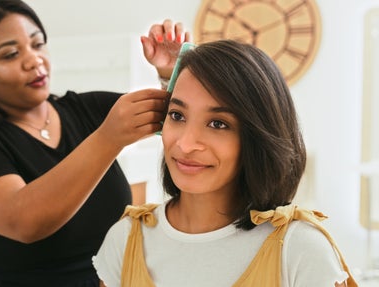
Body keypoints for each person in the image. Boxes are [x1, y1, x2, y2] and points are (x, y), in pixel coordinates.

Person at [0, 0, 190, 286]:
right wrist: (107, 138)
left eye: (37, 44)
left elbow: (178, 119)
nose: (33, 60)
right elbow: (25, 221)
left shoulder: (85, 109)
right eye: (11, 54)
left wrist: (170, 76)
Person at [93, 40, 358, 287]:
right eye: (177, 115)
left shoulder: (300, 249)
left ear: (257, 138)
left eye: (218, 124)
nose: (185, 144)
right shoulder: (125, 239)